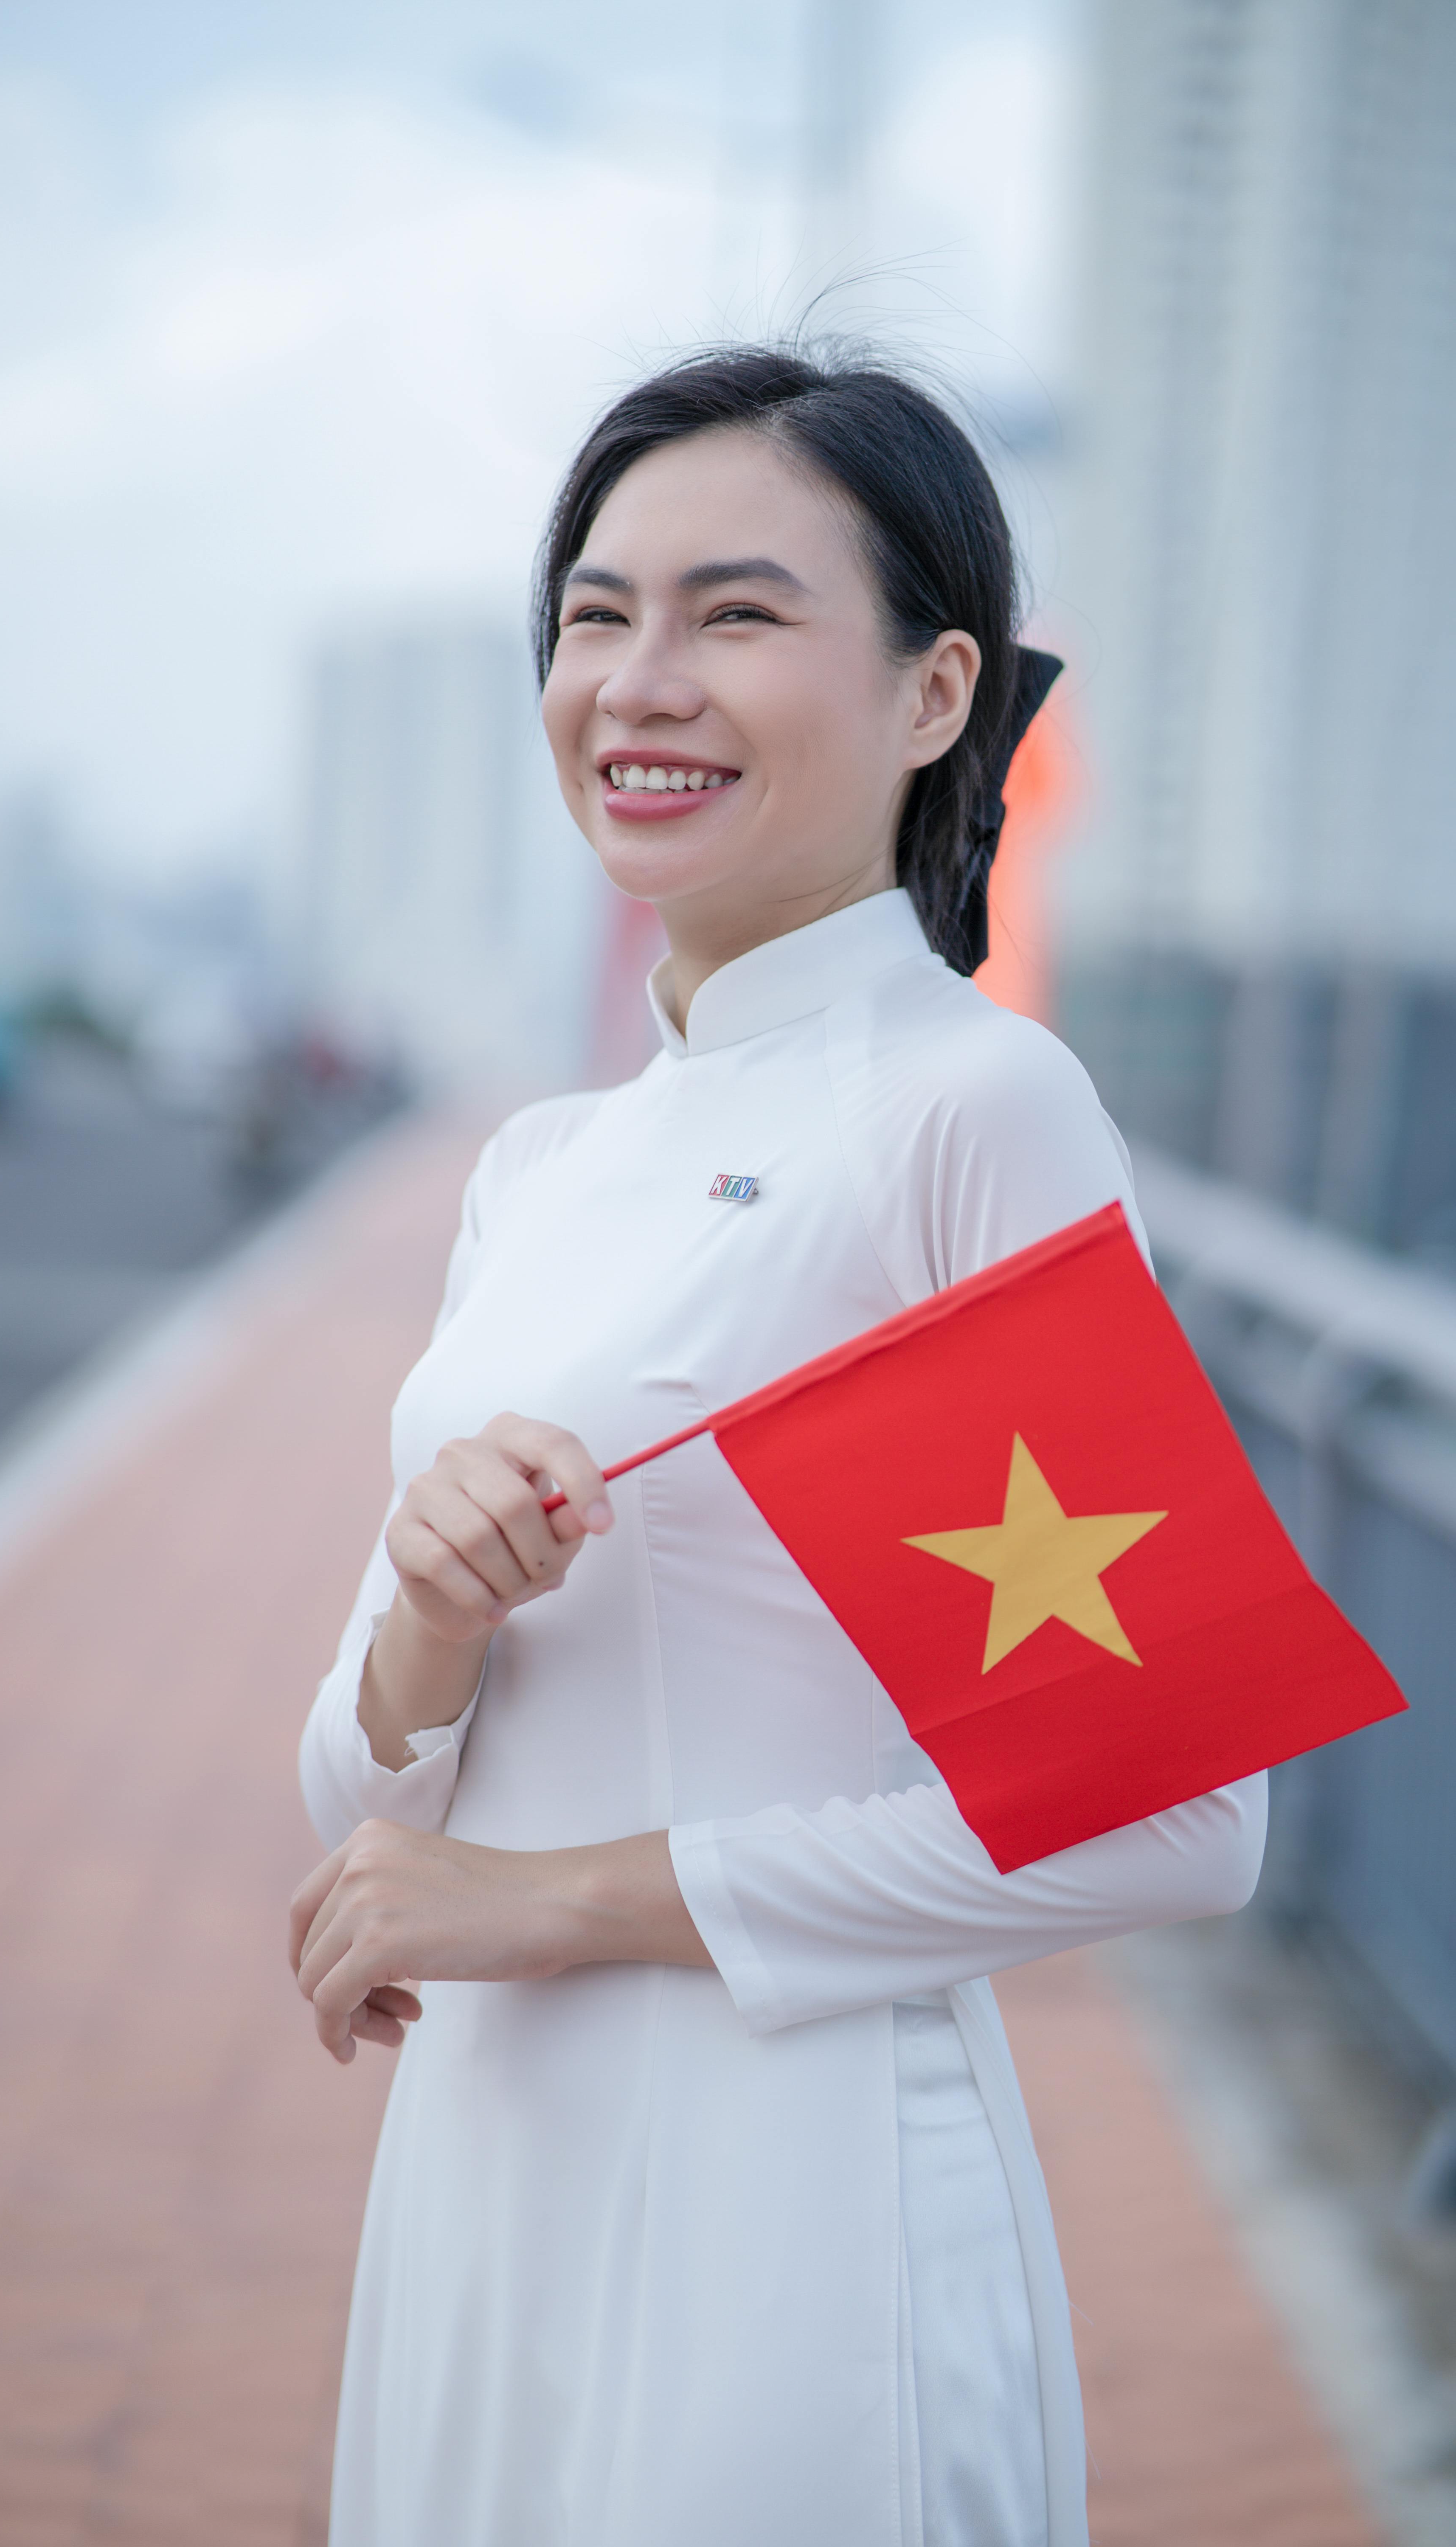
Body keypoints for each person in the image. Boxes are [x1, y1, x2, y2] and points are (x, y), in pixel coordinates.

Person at [290, 345, 1266, 2547]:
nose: (640, 682)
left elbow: (1180, 1817)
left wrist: (551, 1904)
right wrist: (428, 1642)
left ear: (937, 694)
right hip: (477, 2195)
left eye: (735, 615)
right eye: (595, 614)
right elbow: (358, 1821)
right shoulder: (542, 1166)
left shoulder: (957, 1111)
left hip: (787, 2222)